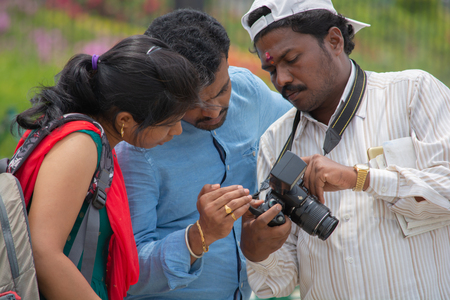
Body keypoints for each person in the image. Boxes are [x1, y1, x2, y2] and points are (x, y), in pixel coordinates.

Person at [239, 0, 450, 299]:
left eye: (292, 59)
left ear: (335, 41)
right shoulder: (276, 140)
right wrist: (257, 249)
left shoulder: (412, 92)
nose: (281, 79)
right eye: (271, 68)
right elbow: (276, 284)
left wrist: (360, 178)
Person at [114, 9, 293, 300]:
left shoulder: (248, 92)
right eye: (195, 102)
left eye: (222, 90)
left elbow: (301, 126)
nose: (212, 110)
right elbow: (126, 274)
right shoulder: (138, 150)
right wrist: (198, 236)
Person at [10, 35, 200, 300]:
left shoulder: (89, 139)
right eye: (169, 123)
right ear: (125, 120)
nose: (177, 131)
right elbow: (43, 253)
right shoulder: (81, 144)